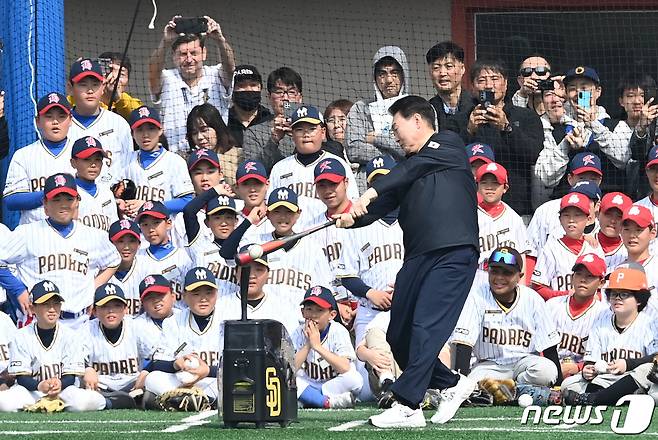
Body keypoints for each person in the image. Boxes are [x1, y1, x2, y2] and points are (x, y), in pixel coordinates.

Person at [335, 96, 479, 427]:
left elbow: (406, 172)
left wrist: (369, 191)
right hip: (416, 258)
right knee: (399, 337)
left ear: (417, 121)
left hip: (453, 252)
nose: (394, 134)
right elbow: (381, 205)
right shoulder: (409, 170)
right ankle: (454, 384)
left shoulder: (448, 144)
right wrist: (349, 219)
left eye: (395, 126)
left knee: (425, 325)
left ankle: (408, 406)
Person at [1, 173, 120, 328]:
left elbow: (114, 261)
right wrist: (18, 290)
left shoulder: (94, 235)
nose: (63, 205)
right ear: (45, 203)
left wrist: (93, 289)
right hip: (38, 322)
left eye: (69, 199)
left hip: (80, 322)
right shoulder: (27, 233)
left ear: (77, 201)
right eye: (56, 199)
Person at [451, 247, 561, 391]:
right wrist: (459, 386)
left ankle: (511, 388)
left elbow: (549, 346)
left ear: (519, 276)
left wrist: (558, 386)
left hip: (524, 365)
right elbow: (463, 343)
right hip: (488, 367)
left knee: (547, 370)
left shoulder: (532, 299)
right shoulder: (476, 296)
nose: (499, 278)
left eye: (507, 273)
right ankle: (515, 389)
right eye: (494, 271)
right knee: (471, 383)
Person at [446, 60, 543, 215]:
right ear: (472, 87)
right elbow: (448, 158)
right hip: (469, 207)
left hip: (516, 208)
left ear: (505, 84)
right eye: (481, 80)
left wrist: (507, 128)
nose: (489, 85)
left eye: (495, 79)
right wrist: (469, 131)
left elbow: (533, 155)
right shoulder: (459, 119)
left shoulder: (526, 116)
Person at [0, 281, 103, 412]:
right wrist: (39, 386)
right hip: (31, 391)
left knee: (90, 401)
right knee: (3, 402)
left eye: (56, 304)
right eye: (46, 304)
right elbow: (21, 378)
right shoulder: (21, 336)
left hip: (64, 391)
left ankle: (114, 400)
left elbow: (70, 376)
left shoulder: (71, 335)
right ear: (32, 308)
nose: (52, 309)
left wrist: (60, 384)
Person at [561, 265, 658, 402]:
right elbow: (591, 359)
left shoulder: (650, 324)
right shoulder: (601, 320)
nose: (617, 298)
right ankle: (607, 397)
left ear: (639, 299)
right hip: (606, 378)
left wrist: (628, 364)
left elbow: (655, 360)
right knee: (568, 384)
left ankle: (593, 399)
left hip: (635, 378)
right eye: (614, 294)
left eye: (624, 294)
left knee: (648, 371)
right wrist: (587, 369)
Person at [337, 155, 403, 344]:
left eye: (386, 180)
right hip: (369, 311)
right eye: (376, 181)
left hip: (408, 307)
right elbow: (347, 276)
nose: (382, 186)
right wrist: (370, 293)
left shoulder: (413, 218)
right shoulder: (356, 227)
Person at [148, 15, 235, 154]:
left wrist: (220, 40)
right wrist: (165, 42)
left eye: (194, 53)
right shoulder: (167, 78)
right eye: (183, 54)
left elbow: (230, 68)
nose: (189, 59)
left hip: (215, 157)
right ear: (174, 57)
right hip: (177, 158)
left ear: (204, 53)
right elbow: (152, 71)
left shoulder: (216, 74)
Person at [143, 267, 224, 410]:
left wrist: (209, 371)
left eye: (209, 293)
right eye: (196, 293)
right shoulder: (173, 321)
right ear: (184, 295)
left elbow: (240, 365)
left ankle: (186, 401)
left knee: (235, 382)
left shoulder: (228, 319)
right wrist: (175, 364)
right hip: (182, 383)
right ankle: (199, 401)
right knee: (152, 378)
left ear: (216, 294)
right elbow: (156, 363)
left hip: (215, 380)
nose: (203, 299)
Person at [269, 105, 359, 221]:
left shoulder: (338, 164)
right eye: (299, 129)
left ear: (323, 132)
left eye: (312, 129)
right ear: (292, 135)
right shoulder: (280, 168)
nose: (306, 134)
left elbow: (352, 202)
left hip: (327, 230)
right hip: (291, 233)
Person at [4, 92, 75, 225]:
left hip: (74, 235)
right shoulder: (23, 155)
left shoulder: (83, 154)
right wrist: (52, 193)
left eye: (61, 116)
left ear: (70, 120)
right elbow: (11, 200)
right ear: (38, 121)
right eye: (49, 116)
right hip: (34, 235)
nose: (55, 122)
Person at [345, 46, 409, 192]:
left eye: (394, 73)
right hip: (368, 186)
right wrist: (396, 153)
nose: (388, 80)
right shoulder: (360, 108)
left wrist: (377, 139)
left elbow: (417, 150)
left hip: (407, 183)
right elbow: (354, 149)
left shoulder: (418, 107)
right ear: (375, 77)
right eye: (382, 74)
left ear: (404, 74)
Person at [561, 66, 632, 194]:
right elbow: (545, 179)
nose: (578, 93)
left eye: (584, 88)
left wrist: (593, 124)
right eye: (572, 89)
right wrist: (566, 145)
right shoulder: (559, 128)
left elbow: (623, 159)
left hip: (609, 201)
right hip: (570, 203)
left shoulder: (618, 125)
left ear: (598, 91)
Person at [81, 283, 152, 409]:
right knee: (80, 398)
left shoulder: (137, 326)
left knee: (156, 379)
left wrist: (147, 371)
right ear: (95, 311)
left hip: (134, 384)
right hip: (100, 388)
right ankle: (119, 402)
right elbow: (73, 361)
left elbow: (157, 356)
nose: (111, 311)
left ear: (126, 309)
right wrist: (86, 369)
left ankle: (135, 400)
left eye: (117, 305)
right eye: (105, 306)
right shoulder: (86, 330)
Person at [293, 286, 363, 409]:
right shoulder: (298, 332)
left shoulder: (338, 331)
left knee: (355, 379)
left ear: (332, 314)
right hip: (307, 384)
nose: (313, 315)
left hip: (331, 385)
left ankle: (310, 399)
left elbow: (345, 367)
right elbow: (290, 369)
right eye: (309, 309)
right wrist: (309, 344)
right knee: (285, 380)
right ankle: (327, 402)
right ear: (302, 312)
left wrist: (318, 347)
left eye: (319, 310)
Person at [67, 58, 133, 187]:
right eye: (83, 84)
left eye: (95, 84)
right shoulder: (61, 125)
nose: (90, 90)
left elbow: (128, 168)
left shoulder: (119, 124)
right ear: (70, 88)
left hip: (111, 200)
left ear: (103, 87)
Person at [122, 106, 194, 219]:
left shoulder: (175, 162)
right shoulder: (124, 160)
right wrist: (119, 203)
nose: (145, 134)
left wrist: (148, 206)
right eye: (140, 129)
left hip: (165, 231)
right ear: (132, 133)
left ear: (161, 130)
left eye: (151, 128)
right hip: (132, 232)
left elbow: (187, 201)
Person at [545, 253, 608, 379]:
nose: (583, 280)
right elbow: (538, 345)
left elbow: (603, 357)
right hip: (548, 368)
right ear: (572, 277)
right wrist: (553, 366)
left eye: (590, 276)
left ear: (601, 283)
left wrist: (579, 367)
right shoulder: (552, 305)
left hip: (583, 374)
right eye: (579, 274)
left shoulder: (604, 314)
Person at [531, 192, 604, 300]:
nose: (571, 220)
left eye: (577, 215)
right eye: (566, 215)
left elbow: (602, 288)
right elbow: (538, 287)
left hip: (590, 312)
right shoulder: (551, 247)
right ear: (560, 219)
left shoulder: (594, 247)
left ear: (588, 219)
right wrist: (565, 295)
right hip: (558, 310)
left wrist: (597, 297)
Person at [217, 246, 301, 336]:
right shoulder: (220, 306)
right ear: (236, 273)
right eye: (246, 269)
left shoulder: (283, 308)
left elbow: (293, 346)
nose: (251, 275)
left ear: (268, 274)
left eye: (259, 269)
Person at [475, 162, 532, 282]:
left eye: (495, 183)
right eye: (484, 183)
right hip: (477, 277)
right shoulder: (469, 215)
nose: (489, 187)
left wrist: (521, 288)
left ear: (505, 188)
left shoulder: (514, 218)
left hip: (506, 280)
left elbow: (521, 255)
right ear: (478, 186)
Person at [241, 67, 303, 171]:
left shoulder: (313, 127)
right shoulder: (254, 133)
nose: (285, 98)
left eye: (291, 92)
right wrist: (273, 140)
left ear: (300, 98)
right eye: (279, 92)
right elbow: (251, 170)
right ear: (269, 96)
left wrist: (298, 135)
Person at [134, 201, 192, 304]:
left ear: (168, 223)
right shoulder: (137, 258)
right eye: (145, 224)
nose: (151, 229)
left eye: (156, 223)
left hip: (180, 316)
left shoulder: (184, 256)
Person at [67, 52, 143, 121]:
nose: (115, 77)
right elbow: (67, 105)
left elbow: (140, 118)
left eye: (121, 74)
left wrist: (118, 99)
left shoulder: (129, 102)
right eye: (110, 71)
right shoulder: (87, 96)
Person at [70, 136, 119, 232]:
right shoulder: (69, 193)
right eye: (87, 159)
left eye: (97, 160)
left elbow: (114, 228)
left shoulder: (106, 193)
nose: (93, 165)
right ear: (73, 163)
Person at [618, 205, 658, 316]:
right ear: (620, 232)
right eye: (627, 229)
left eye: (638, 230)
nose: (632, 235)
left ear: (652, 233)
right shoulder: (613, 271)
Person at [186, 103, 240, 185]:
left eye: (204, 130)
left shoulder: (239, 155)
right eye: (194, 133)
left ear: (217, 128)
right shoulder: (189, 161)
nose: (199, 137)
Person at [426, 41, 472, 128]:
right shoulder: (427, 111)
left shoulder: (476, 106)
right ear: (430, 72)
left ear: (462, 69)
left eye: (449, 66)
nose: (442, 73)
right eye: (436, 67)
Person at [227, 65, 273, 147]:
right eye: (241, 85)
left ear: (260, 88)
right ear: (232, 89)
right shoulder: (224, 121)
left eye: (253, 85)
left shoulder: (269, 119)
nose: (248, 89)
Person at [107, 219, 144, 316]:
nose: (126, 247)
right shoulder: (98, 272)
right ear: (110, 244)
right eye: (120, 241)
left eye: (132, 241)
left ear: (139, 244)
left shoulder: (147, 269)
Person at [596, 192, 631, 269]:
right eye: (608, 214)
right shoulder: (584, 242)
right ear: (598, 214)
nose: (613, 221)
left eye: (619, 216)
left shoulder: (631, 250)